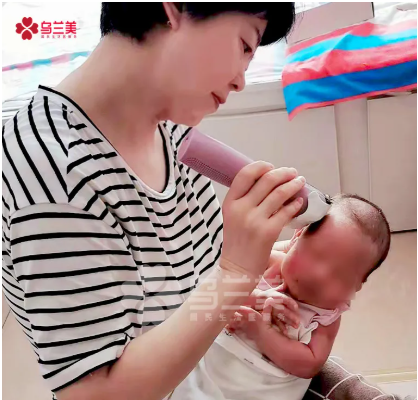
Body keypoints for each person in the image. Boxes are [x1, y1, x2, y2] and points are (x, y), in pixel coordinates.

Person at [1, 3, 301, 400]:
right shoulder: (53, 173)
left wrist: (266, 264)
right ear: (175, 8)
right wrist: (235, 275)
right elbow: (95, 394)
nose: (240, 81)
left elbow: (188, 282)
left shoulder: (172, 130)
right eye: (245, 45)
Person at [171, 194, 391, 400]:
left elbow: (310, 365)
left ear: (355, 287)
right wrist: (255, 298)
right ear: (296, 239)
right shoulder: (266, 262)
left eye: (340, 275)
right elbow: (213, 291)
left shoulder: (327, 316)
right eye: (315, 254)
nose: (319, 275)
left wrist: (261, 332)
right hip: (207, 370)